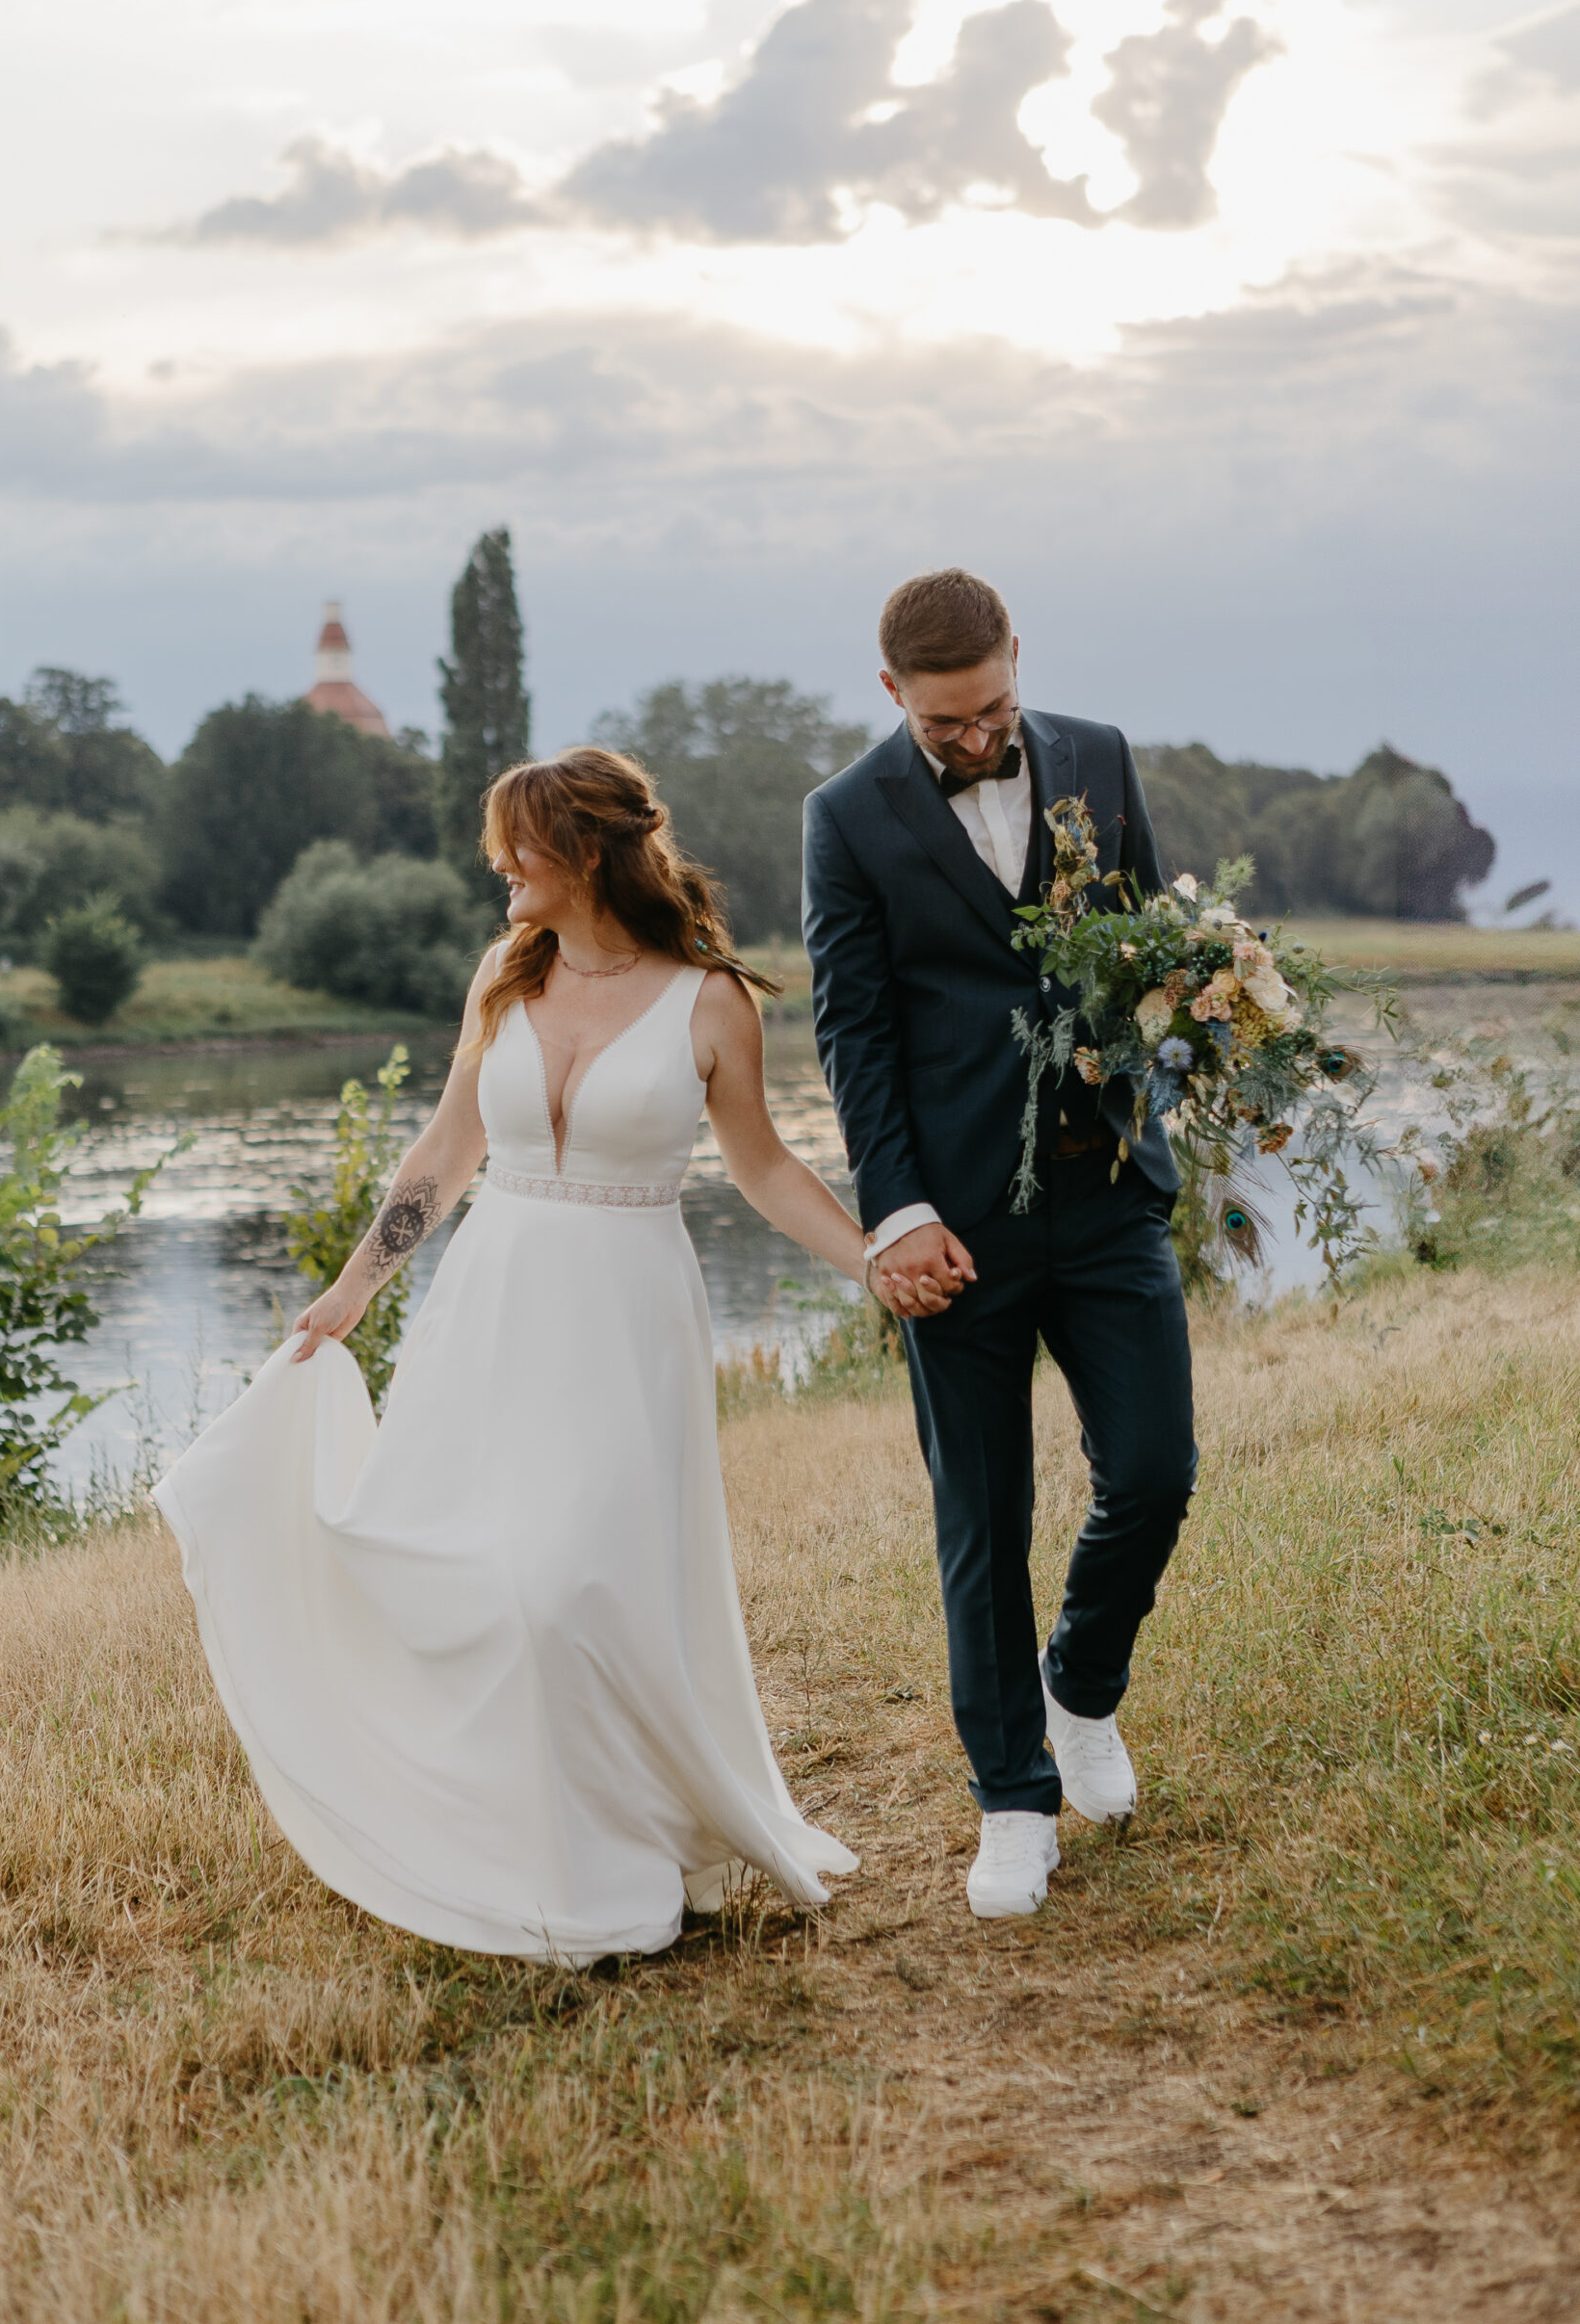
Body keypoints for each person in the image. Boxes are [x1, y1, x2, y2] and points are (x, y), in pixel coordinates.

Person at [156, 746, 863, 1965]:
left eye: (515, 846)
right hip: (494, 1307)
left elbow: (763, 1167)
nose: (496, 865)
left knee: (574, 1588)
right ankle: (533, 1849)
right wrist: (349, 1293)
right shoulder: (505, 974)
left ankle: (636, 1839)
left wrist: (868, 1262)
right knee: (476, 1575)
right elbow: (444, 1152)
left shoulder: (709, 1000)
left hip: (627, 1316)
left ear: (585, 852)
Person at [802, 568, 1198, 1921]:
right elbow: (851, 1030)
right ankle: (1010, 1802)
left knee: (1151, 1469)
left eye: (989, 715)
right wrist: (894, 1214)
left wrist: (1194, 1031)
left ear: (1014, 663)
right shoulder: (843, 818)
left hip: (1102, 1190)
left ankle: (1077, 1687)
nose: (975, 743)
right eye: (942, 728)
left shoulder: (1097, 758)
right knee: (983, 1514)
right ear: (889, 695)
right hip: (950, 1225)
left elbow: (1146, 945)